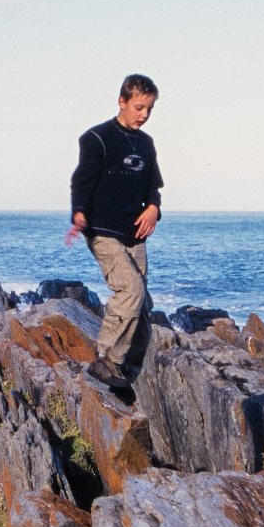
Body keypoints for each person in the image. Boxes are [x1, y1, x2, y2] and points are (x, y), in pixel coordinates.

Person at [70, 74, 163, 394]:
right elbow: (81, 181)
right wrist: (79, 212)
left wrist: (154, 208)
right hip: (103, 231)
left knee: (143, 306)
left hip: (135, 233)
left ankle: (125, 374)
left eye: (149, 109)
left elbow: (153, 188)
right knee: (131, 290)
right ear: (122, 101)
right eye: (139, 107)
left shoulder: (146, 144)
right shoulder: (97, 138)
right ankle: (106, 359)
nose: (144, 114)